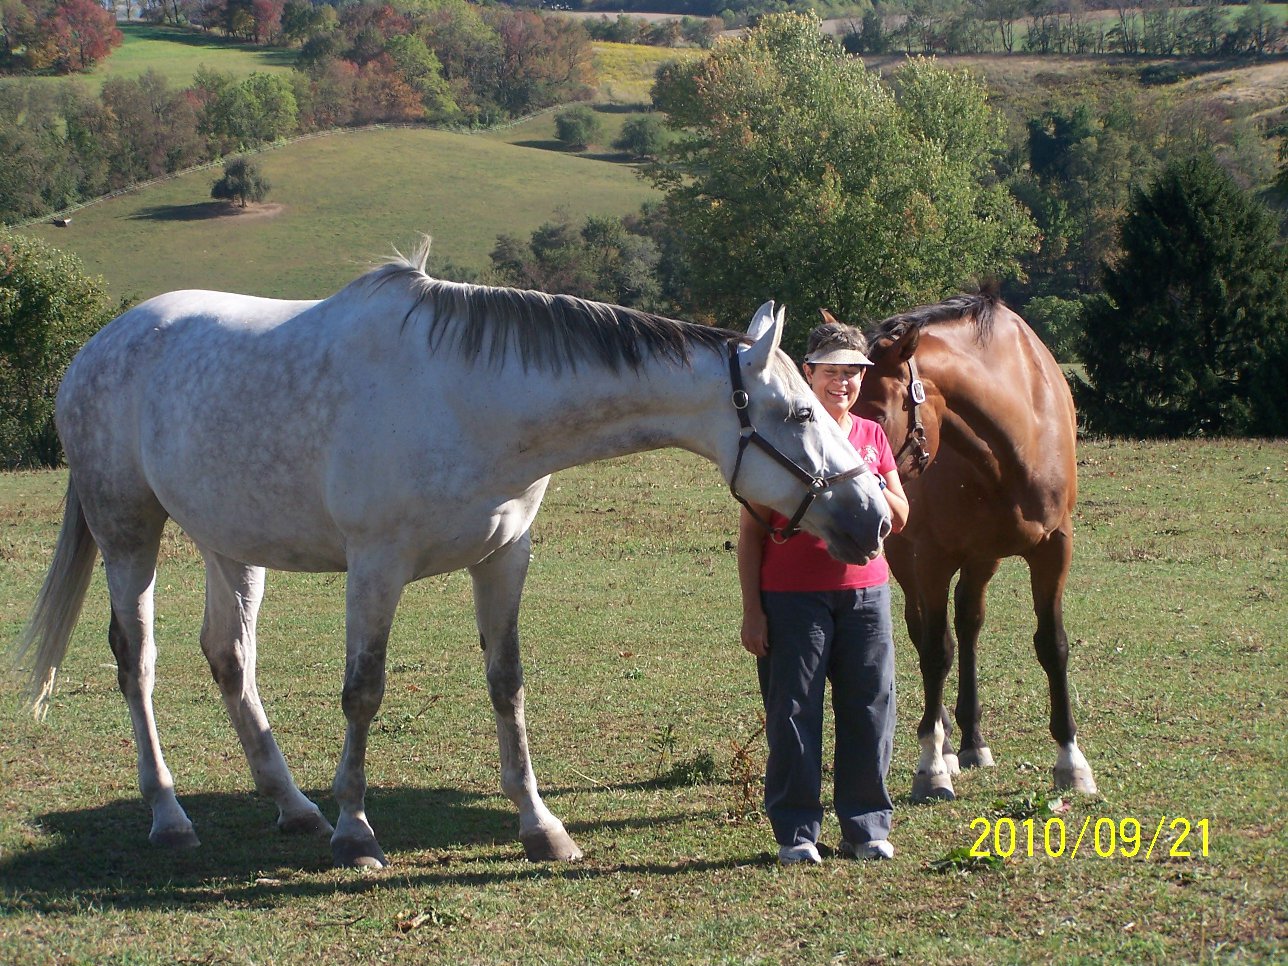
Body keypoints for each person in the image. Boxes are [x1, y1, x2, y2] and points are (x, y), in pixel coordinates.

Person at [737, 319, 909, 865]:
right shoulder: (786, 437)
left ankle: (866, 827)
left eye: (854, 373)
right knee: (793, 713)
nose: (844, 382)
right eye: (832, 371)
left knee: (870, 707)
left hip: (866, 595)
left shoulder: (872, 436)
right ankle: (797, 833)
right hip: (792, 596)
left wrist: (875, 485)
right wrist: (752, 612)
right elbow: (750, 530)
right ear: (807, 372)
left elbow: (900, 517)